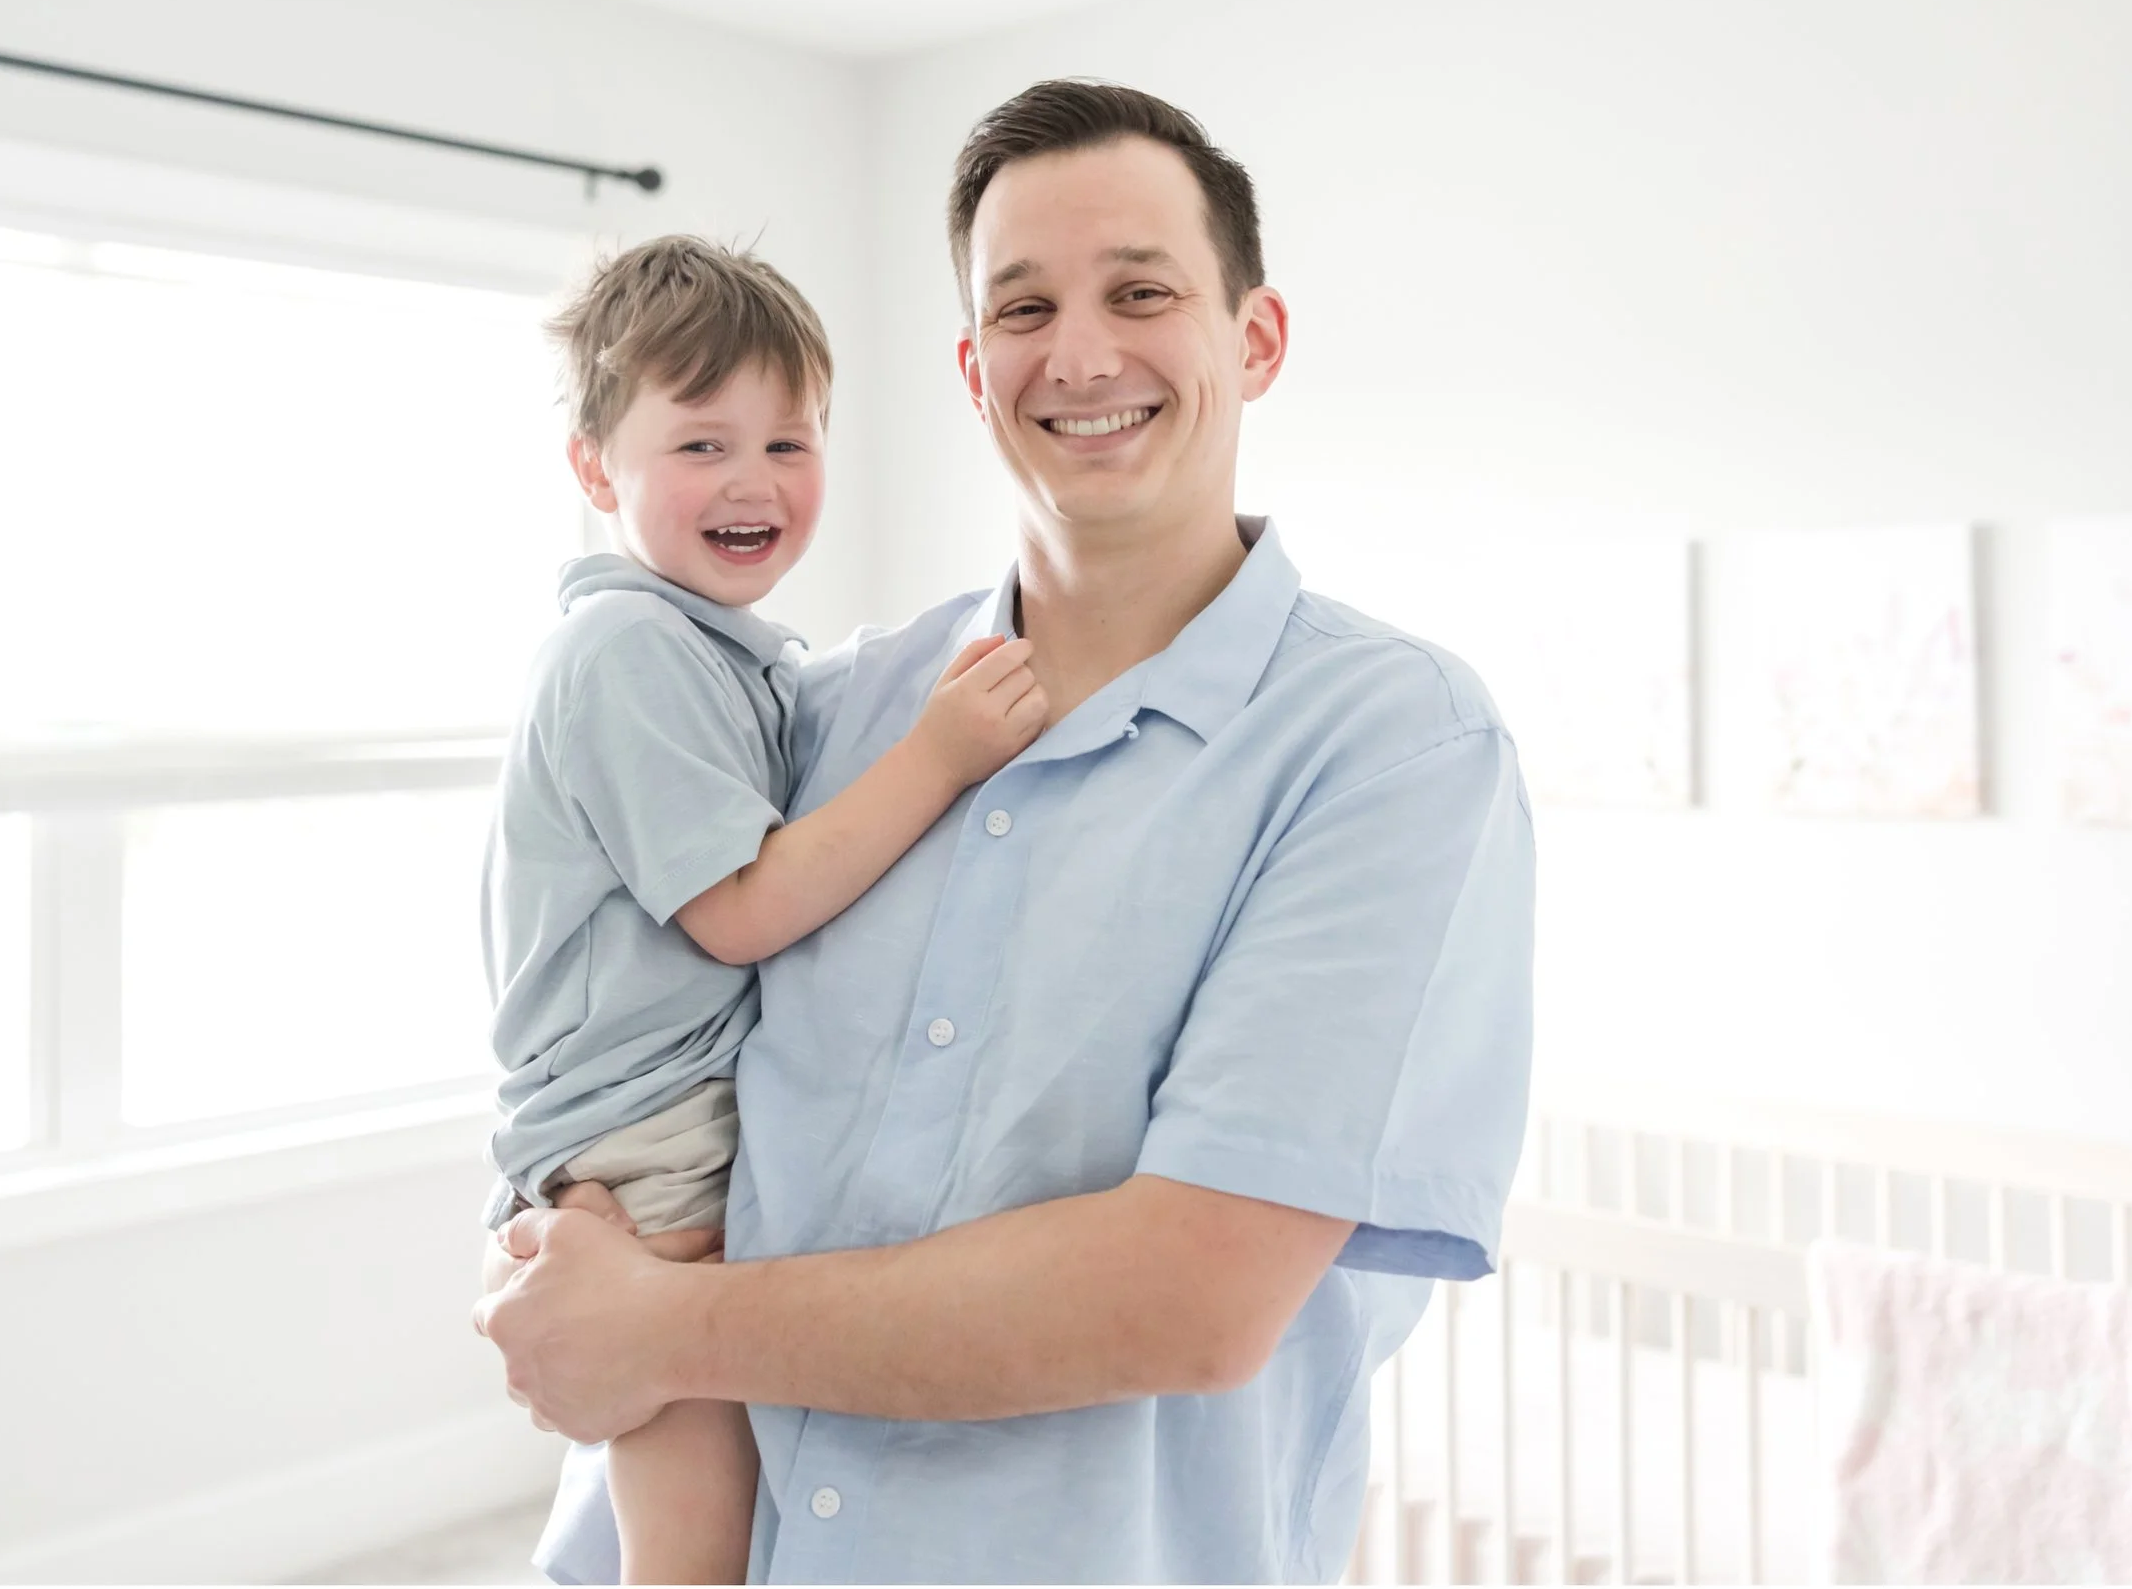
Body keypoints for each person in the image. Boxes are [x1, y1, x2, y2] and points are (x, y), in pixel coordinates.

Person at [476, 81, 1536, 1584]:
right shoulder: (827, 715)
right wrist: (547, 1244)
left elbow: (1187, 1300)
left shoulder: (1393, 750)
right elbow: (613, 1020)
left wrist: (652, 1329)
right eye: (1024, 308)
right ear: (975, 369)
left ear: (1255, 338)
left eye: (1143, 290)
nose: (1081, 353)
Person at [480, 235, 1048, 1583]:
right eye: (702, 447)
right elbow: (737, 909)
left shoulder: (722, 656)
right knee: (690, 1507)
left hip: (663, 1110)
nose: (752, 483)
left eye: (789, 446)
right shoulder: (628, 652)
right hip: (649, 1128)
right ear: (591, 466)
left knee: (719, 1455)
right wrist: (939, 755)